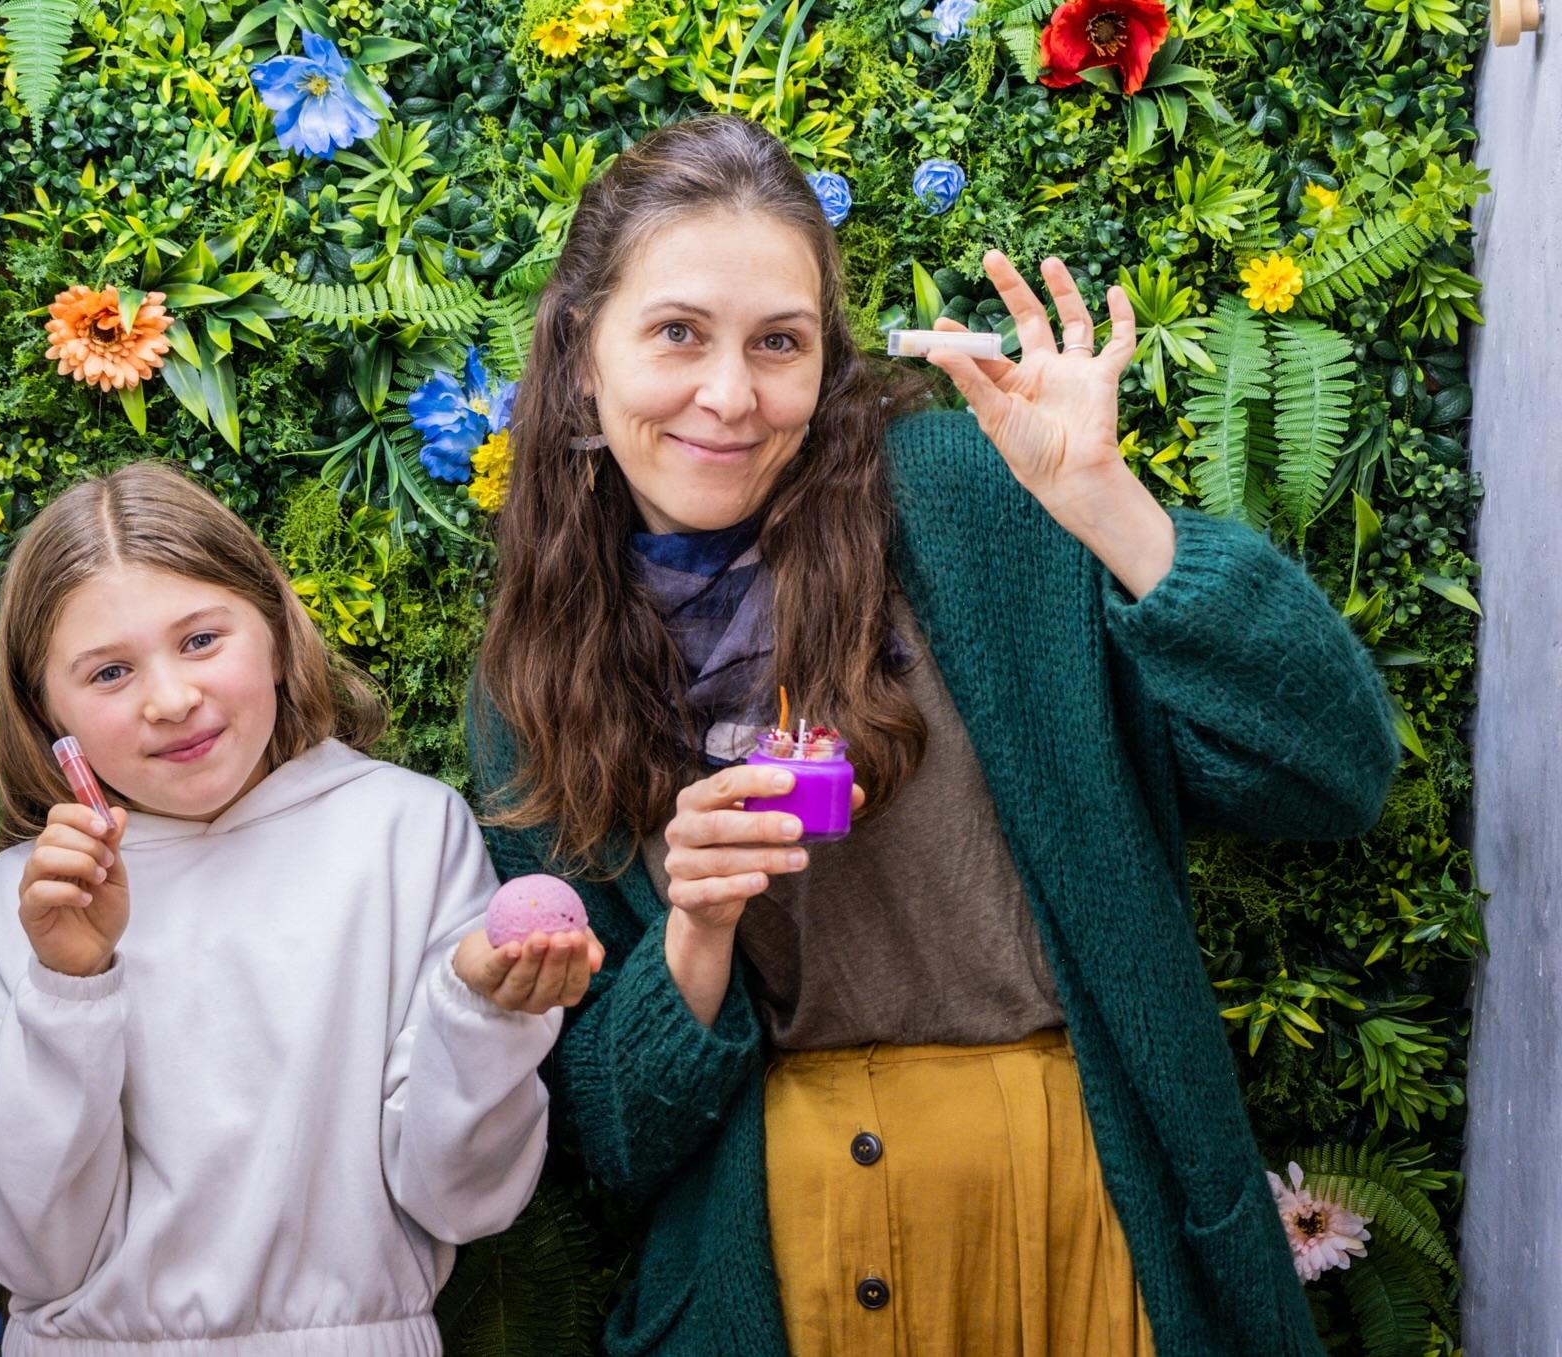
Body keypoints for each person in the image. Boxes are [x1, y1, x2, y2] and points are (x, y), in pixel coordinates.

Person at [468, 114, 1397, 1357]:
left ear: (826, 359)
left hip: (1097, 1212)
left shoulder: (969, 498)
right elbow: (616, 1137)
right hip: (791, 1261)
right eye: (678, 332)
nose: (730, 395)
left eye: (779, 342)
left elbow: (1333, 773)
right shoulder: (538, 679)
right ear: (583, 353)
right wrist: (696, 928)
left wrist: (1106, 504)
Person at [0, 460, 602, 1356]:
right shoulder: (12, 912)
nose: (172, 699)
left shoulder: (405, 833)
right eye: (110, 671)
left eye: (202, 639)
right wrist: (67, 986)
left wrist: (480, 1015)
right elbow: (30, 1253)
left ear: (278, 636)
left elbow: (463, 1200)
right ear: (47, 712)